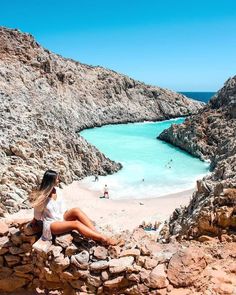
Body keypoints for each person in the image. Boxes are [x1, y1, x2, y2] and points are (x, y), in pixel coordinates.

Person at [29, 170, 116, 245]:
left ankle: (96, 234)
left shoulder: (58, 191)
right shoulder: (42, 198)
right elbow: (37, 216)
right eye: (57, 178)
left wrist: (70, 215)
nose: (59, 180)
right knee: (76, 224)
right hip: (52, 224)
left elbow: (64, 209)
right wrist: (34, 221)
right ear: (51, 181)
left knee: (76, 210)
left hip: (62, 217)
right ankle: (102, 239)